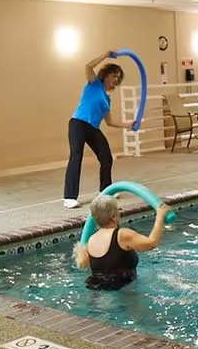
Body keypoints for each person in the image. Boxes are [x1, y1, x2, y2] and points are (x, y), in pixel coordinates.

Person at [63, 51, 135, 209]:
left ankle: (105, 190)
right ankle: (69, 197)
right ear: (106, 75)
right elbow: (88, 66)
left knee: (106, 157)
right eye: (114, 75)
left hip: (92, 128)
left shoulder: (107, 98)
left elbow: (110, 122)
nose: (115, 79)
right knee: (76, 156)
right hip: (78, 123)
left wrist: (128, 125)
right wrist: (106, 55)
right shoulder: (93, 84)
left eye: (118, 77)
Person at [74, 196, 172, 290]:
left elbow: (82, 264)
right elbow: (152, 243)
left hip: (96, 291)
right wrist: (160, 216)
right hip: (123, 290)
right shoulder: (122, 235)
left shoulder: (91, 240)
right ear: (113, 217)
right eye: (118, 210)